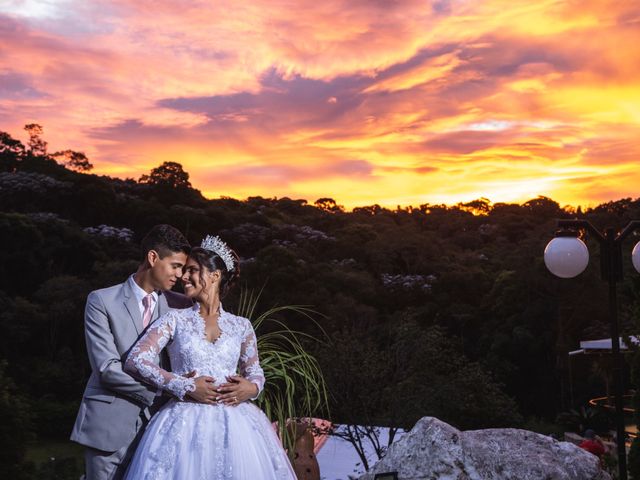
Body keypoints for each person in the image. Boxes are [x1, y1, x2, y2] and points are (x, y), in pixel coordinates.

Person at [123, 235, 296, 479]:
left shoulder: (241, 326)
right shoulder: (175, 319)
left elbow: (255, 372)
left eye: (192, 270)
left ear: (215, 276)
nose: (184, 277)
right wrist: (184, 385)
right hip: (184, 424)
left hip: (238, 428)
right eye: (183, 270)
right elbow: (137, 360)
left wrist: (252, 387)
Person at [70, 225, 217, 480]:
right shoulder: (102, 300)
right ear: (152, 258)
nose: (180, 275)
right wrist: (169, 388)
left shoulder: (180, 307)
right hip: (109, 425)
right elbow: (107, 369)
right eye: (175, 266)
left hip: (160, 430)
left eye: (183, 268)